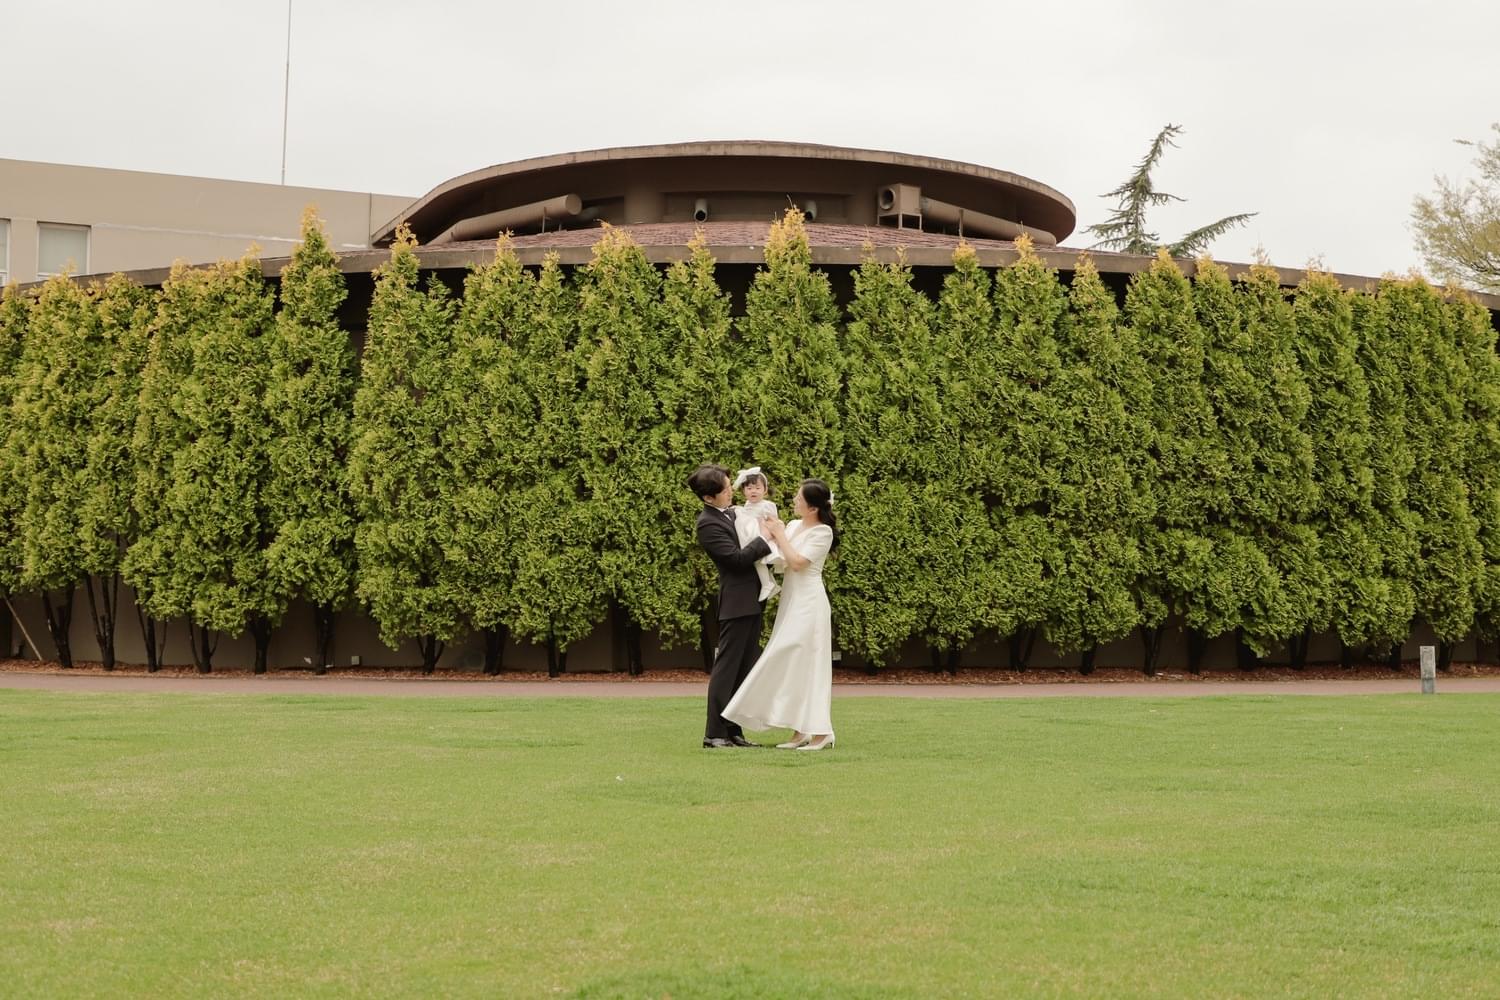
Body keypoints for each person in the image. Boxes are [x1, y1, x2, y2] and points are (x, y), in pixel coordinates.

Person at [722, 478, 837, 751]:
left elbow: (797, 562)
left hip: (810, 603)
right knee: (793, 663)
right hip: (791, 600)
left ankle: (822, 732)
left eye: (799, 498)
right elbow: (780, 558)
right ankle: (800, 730)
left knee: (809, 662)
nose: (794, 501)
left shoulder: (823, 532)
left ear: (812, 508)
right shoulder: (795, 525)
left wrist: (780, 535)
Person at [689, 463, 772, 749]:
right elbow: (735, 560)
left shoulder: (732, 513)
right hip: (736, 602)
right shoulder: (707, 523)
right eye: (725, 490)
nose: (731, 492)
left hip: (752, 599)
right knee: (726, 670)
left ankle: (733, 730)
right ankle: (714, 733)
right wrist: (765, 540)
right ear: (708, 497)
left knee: (743, 670)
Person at [733, 466, 781, 602]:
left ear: (765, 490)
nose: (753, 491)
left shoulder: (767, 505)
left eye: (757, 488)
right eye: (749, 488)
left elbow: (774, 521)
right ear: (744, 491)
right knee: (757, 560)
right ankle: (770, 584)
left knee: (759, 560)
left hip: (763, 535)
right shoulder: (747, 504)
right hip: (751, 536)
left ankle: (767, 584)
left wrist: (775, 537)